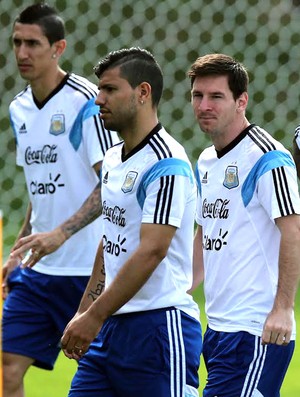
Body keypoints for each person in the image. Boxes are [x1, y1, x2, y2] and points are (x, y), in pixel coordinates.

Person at [60, 47, 202, 397]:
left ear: (142, 93)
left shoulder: (167, 164)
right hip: (110, 327)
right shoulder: (111, 158)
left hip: (158, 328)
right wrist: (84, 313)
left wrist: (94, 316)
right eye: (99, 89)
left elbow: (152, 251)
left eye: (110, 90)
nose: (98, 100)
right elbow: (111, 240)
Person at [2, 3, 119, 397]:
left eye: (33, 43)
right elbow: (40, 188)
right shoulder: (18, 107)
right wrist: (20, 247)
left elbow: (112, 184)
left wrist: (62, 234)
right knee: (5, 368)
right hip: (39, 270)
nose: (22, 52)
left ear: (58, 47)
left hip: (89, 269)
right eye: (17, 42)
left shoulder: (87, 103)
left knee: (104, 375)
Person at [188, 53, 300, 397]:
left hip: (258, 330)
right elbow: (205, 230)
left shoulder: (268, 158)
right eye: (198, 96)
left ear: (241, 101)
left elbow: (293, 232)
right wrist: (183, 289)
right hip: (218, 327)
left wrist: (283, 308)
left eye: (216, 96)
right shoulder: (206, 160)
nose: (204, 105)